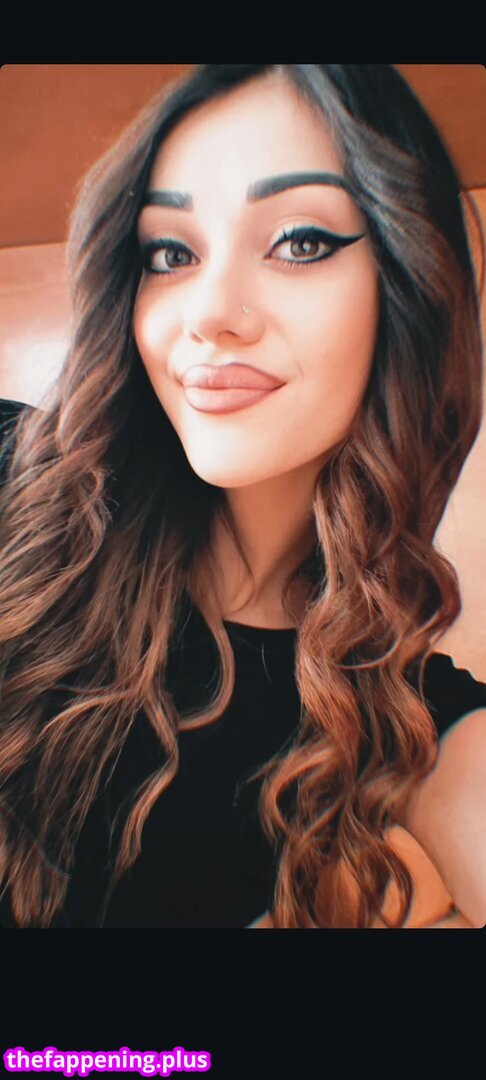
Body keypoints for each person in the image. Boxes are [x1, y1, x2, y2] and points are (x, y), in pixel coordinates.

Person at [0, 64, 485, 930]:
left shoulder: (400, 714)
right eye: (171, 253)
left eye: (299, 241)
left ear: (408, 285)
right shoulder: (15, 474)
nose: (209, 311)